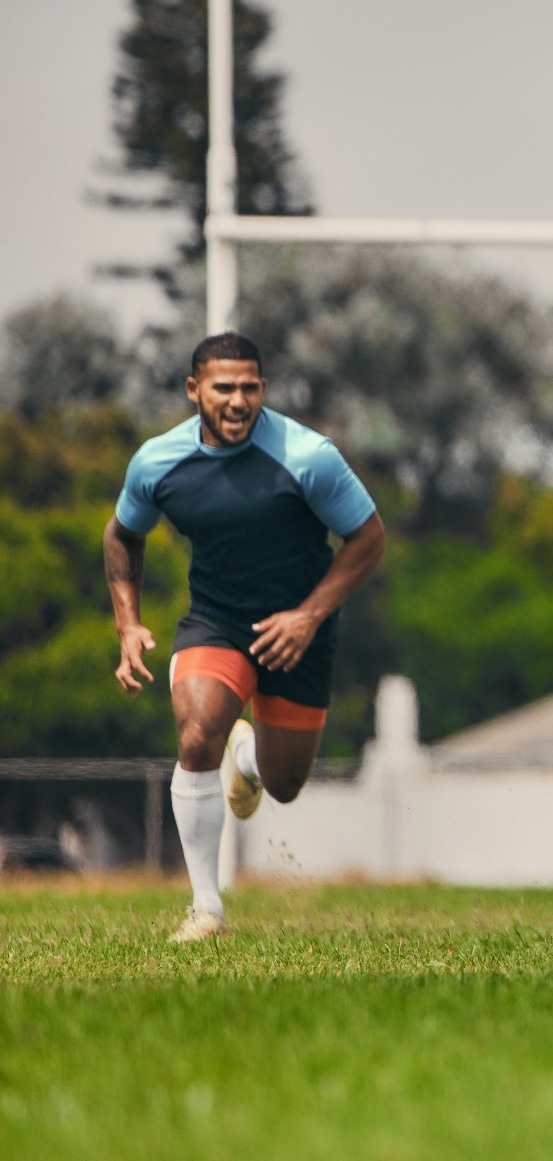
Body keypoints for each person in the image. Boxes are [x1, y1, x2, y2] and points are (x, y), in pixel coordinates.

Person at [105, 332, 385, 942]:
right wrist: (128, 624)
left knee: (284, 785)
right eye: (224, 387)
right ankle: (207, 908)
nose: (238, 401)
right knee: (198, 731)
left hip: (300, 630)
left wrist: (308, 616)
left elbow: (368, 538)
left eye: (250, 387)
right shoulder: (158, 462)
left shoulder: (308, 456)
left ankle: (248, 759)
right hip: (216, 620)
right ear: (194, 390)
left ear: (263, 389)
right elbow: (123, 534)